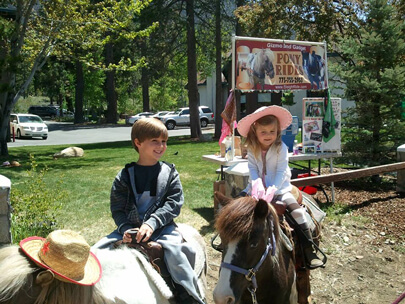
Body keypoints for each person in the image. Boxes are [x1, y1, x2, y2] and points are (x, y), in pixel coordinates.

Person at [93, 118, 204, 304]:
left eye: (164, 142)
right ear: (138, 143)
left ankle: (188, 295)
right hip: (130, 230)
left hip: (162, 228)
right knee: (95, 252)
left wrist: (152, 223)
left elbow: (173, 203)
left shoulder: (170, 173)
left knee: (177, 254)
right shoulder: (124, 176)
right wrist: (126, 228)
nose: (161, 146)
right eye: (155, 141)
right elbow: (118, 208)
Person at [237, 106, 323, 268]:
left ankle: (308, 248)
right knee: (235, 206)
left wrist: (273, 189)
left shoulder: (281, 148)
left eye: (272, 131)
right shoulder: (252, 149)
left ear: (278, 131)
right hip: (255, 189)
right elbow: (253, 169)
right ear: (255, 131)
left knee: (296, 211)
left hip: (280, 188)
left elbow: (282, 170)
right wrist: (256, 184)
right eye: (264, 132)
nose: (268, 136)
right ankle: (230, 241)